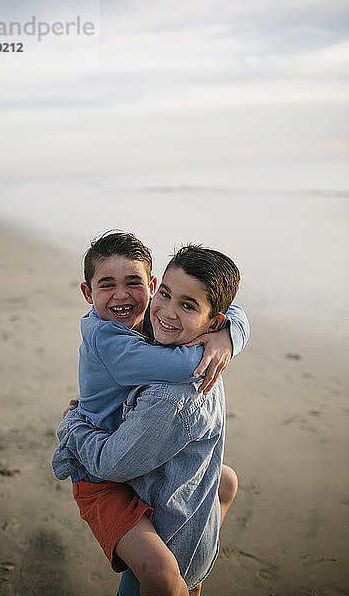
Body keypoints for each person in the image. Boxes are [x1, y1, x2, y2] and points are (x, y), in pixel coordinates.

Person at [52, 236, 249, 595]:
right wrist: (215, 342)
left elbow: (231, 308)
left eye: (134, 283)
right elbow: (185, 365)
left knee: (223, 481)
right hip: (99, 469)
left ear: (152, 285)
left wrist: (228, 334)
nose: (122, 295)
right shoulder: (110, 338)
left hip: (135, 451)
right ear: (87, 291)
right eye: (106, 284)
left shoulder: (150, 320)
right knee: (160, 572)